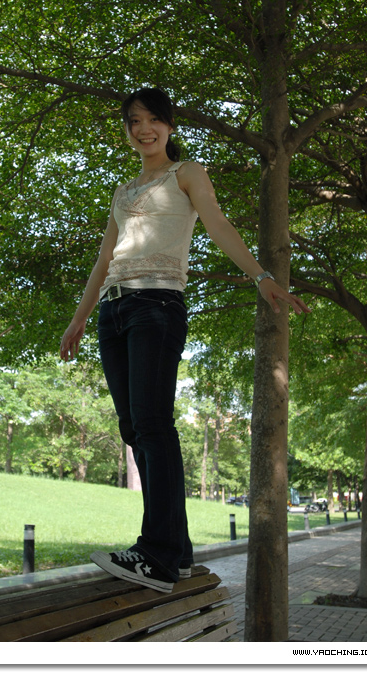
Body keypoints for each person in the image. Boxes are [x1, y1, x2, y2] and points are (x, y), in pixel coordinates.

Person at [60, 88, 310, 593]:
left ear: (169, 125)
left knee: (153, 424)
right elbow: (105, 258)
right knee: (134, 429)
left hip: (157, 305)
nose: (144, 129)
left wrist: (261, 276)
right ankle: (178, 553)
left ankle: (156, 554)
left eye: (153, 119)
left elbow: (218, 224)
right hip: (114, 310)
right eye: (134, 121)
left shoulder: (186, 173)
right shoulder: (123, 191)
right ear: (126, 130)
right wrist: (79, 318)